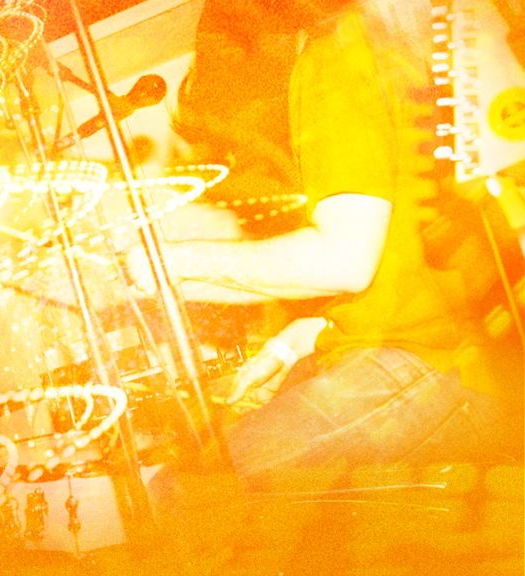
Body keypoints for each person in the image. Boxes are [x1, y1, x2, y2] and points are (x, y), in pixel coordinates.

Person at [128, 0, 517, 485]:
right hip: (434, 354)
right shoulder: (357, 51)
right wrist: (292, 343)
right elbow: (398, 264)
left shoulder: (328, 66)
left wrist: (172, 261)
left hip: (436, 366)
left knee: (190, 491)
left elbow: (345, 260)